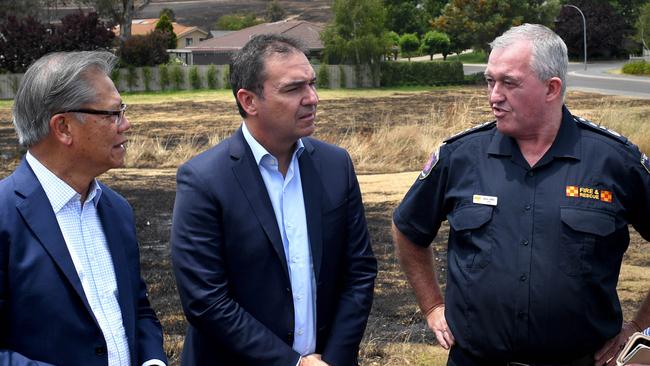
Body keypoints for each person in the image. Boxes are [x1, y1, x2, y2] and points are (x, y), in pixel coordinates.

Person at [392, 23, 650, 366]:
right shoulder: (461, 156)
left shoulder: (614, 161)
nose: (494, 95)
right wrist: (433, 306)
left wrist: (638, 326)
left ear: (551, 88)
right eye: (490, 81)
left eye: (509, 83)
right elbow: (408, 229)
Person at [171, 34, 377, 366]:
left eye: (312, 84)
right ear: (249, 101)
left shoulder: (336, 165)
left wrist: (334, 359)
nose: (312, 98)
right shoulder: (204, 180)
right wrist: (292, 363)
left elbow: (360, 271)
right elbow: (206, 301)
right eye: (294, 88)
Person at [0, 51, 167, 366]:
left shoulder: (116, 209)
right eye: (112, 113)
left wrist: (153, 361)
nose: (126, 125)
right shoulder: (5, 216)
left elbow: (138, 309)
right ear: (63, 127)